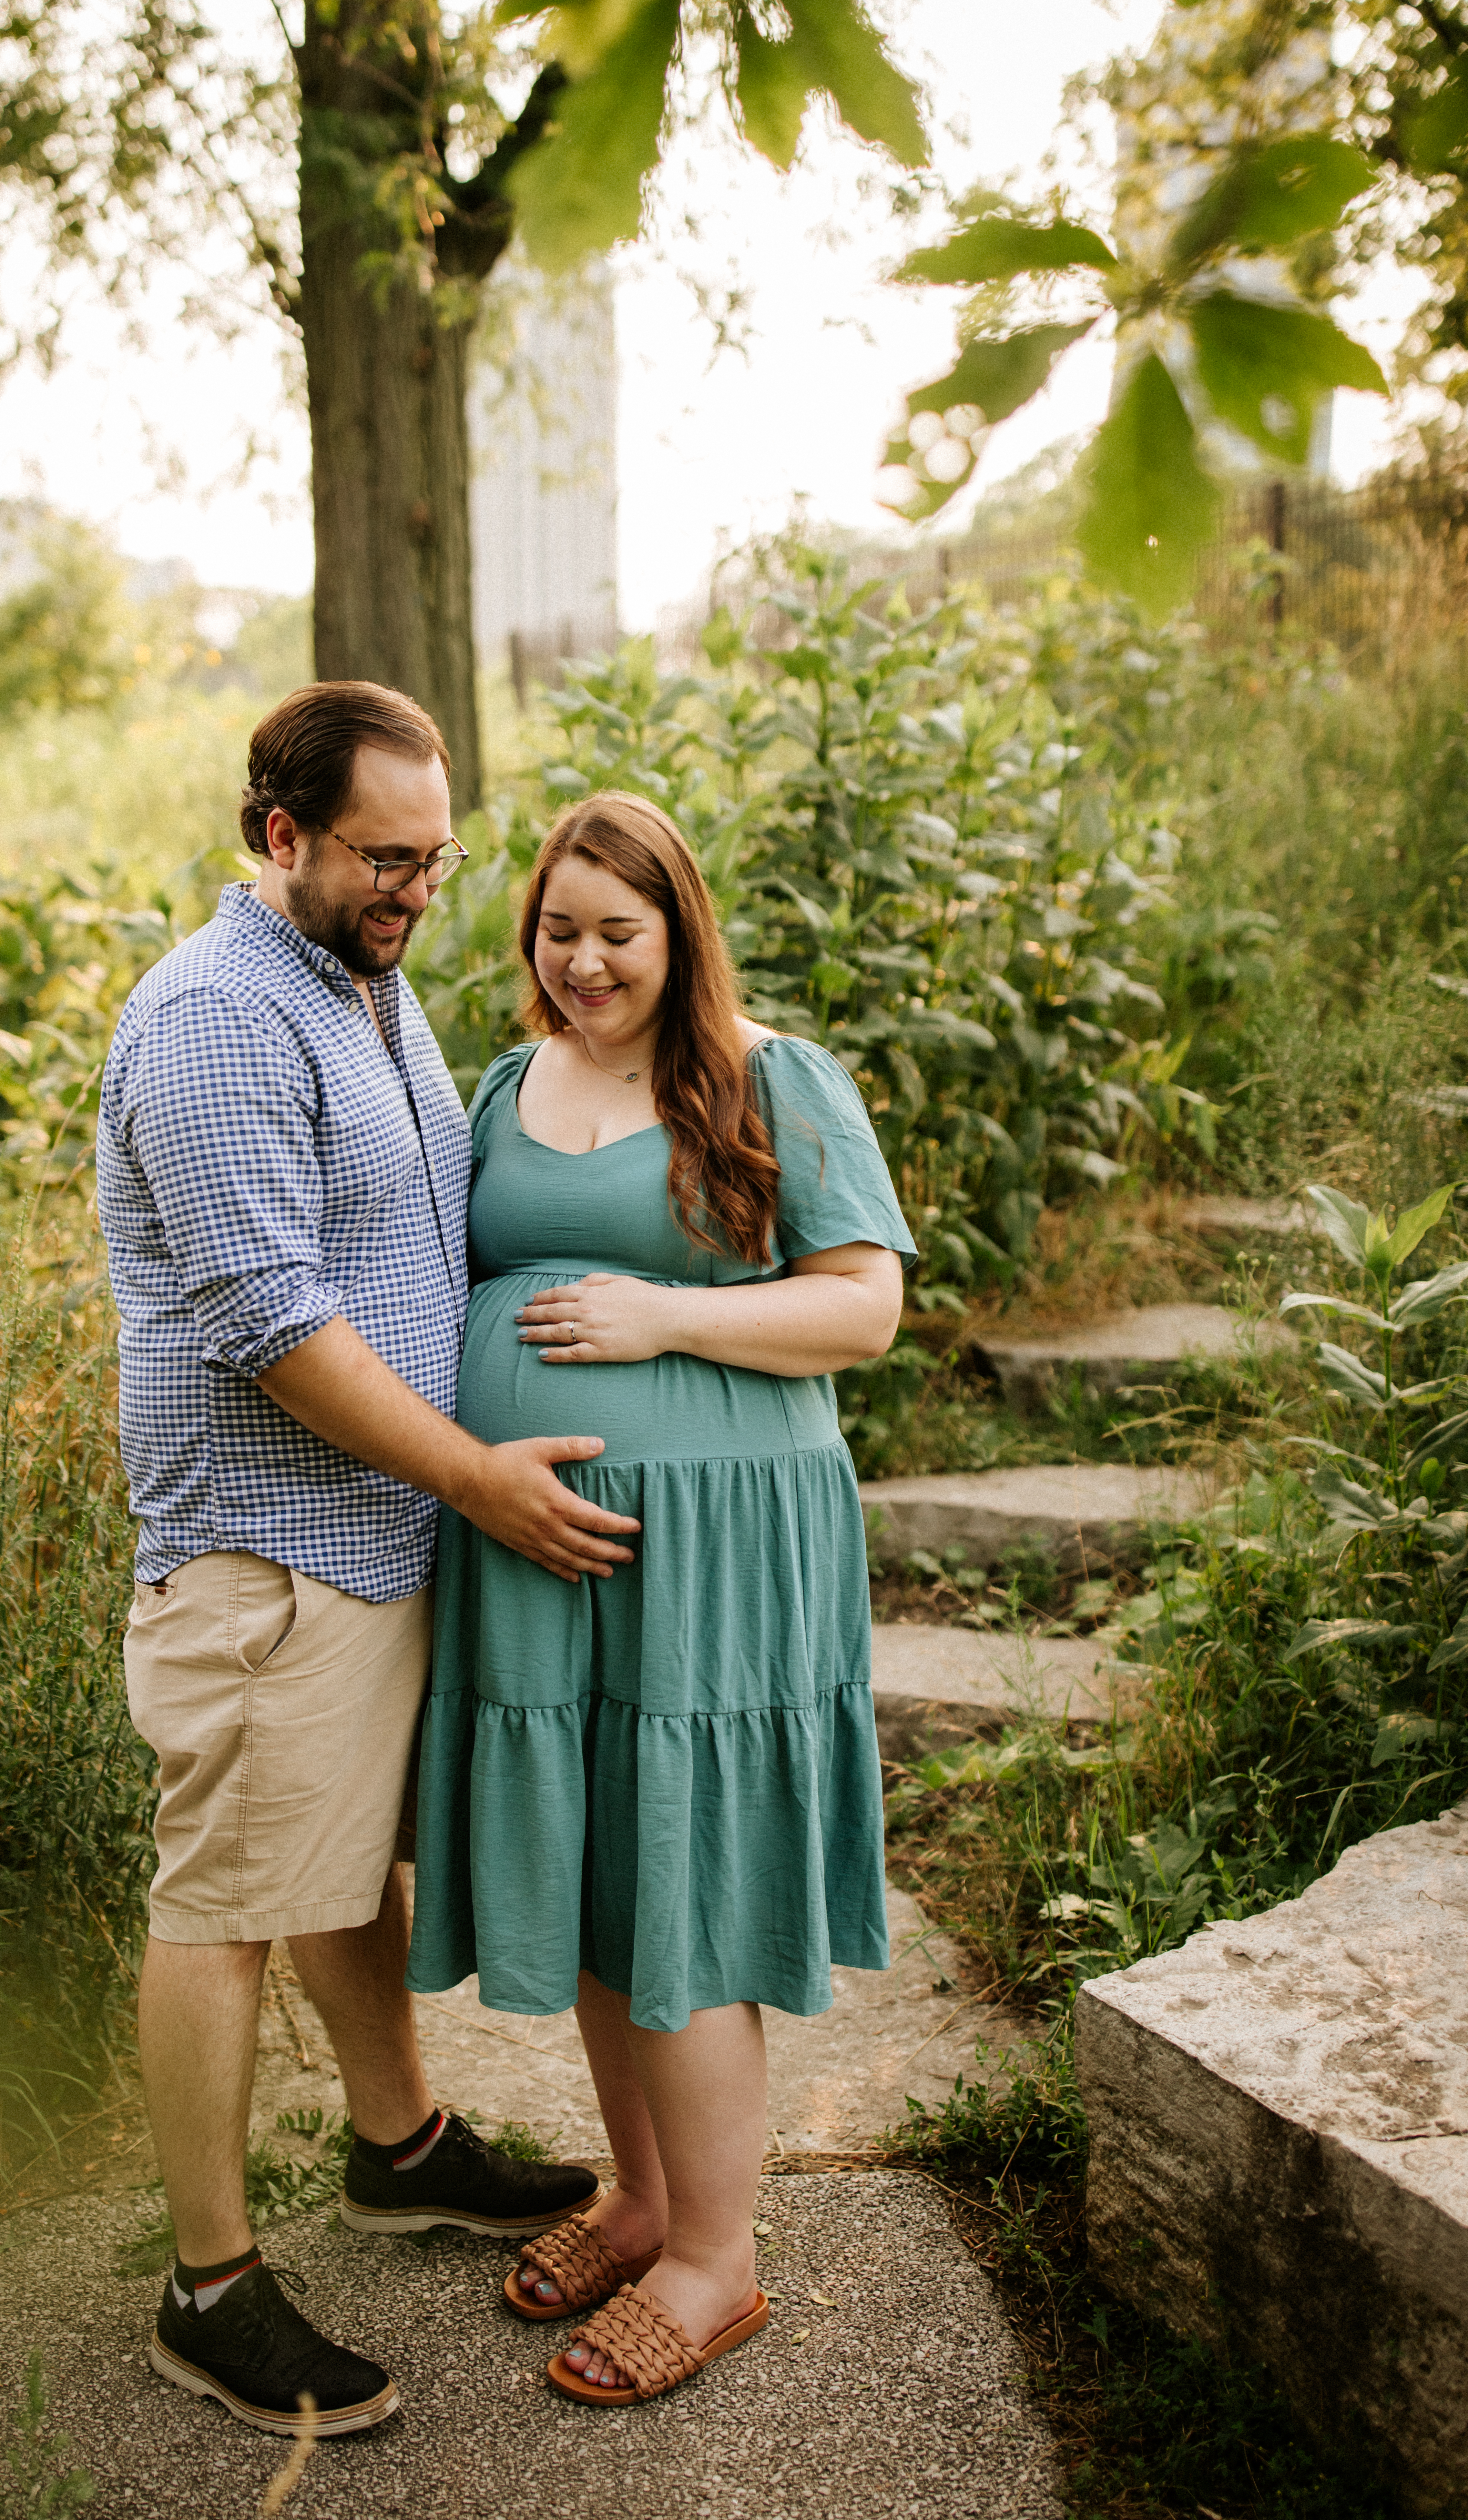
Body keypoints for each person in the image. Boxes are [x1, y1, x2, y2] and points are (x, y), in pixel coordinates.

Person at [96, 682, 641, 2439]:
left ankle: (399, 2148)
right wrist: (480, 1475)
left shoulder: (363, 983)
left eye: (438, 855)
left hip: (371, 1529)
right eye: (384, 857)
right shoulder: (210, 1023)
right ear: (279, 836)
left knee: (338, 1867)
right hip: (261, 1542)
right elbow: (271, 1321)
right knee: (231, 1894)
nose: (419, 889)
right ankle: (212, 2287)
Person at [406, 790, 915, 2408]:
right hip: (536, 1545)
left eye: (617, 932)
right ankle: (641, 2199)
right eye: (558, 930)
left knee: (681, 1875)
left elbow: (866, 1309)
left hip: (712, 1547)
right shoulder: (501, 1081)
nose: (583, 962)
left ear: (677, 929)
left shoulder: (772, 1075)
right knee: (608, 1862)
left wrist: (667, 1319)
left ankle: (719, 2258)